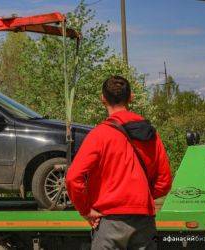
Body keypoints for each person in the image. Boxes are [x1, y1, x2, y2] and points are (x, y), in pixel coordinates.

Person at [66, 76, 172, 250]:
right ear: (130, 98)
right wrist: (138, 197)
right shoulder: (151, 135)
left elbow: (72, 178)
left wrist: (86, 210)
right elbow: (164, 182)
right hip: (144, 221)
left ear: (103, 99)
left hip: (109, 222)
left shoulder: (100, 135)